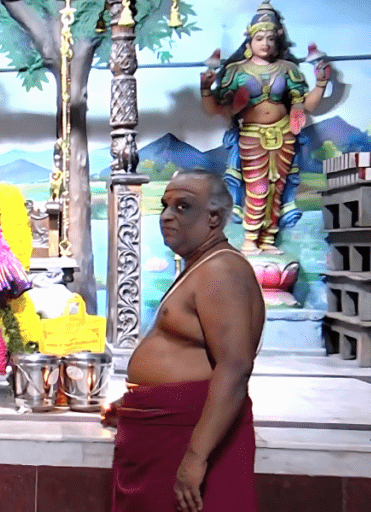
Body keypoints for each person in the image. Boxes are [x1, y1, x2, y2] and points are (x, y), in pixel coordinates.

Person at [104, 170, 265, 512]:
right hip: (163, 425)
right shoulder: (200, 265)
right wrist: (137, 402)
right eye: (165, 205)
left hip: (188, 435)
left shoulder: (221, 270)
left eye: (183, 206)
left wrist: (195, 457)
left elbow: (235, 367)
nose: (166, 215)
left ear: (214, 218)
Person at [201, 1, 331, 255]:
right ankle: (251, 238)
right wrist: (206, 89)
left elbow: (303, 105)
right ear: (249, 41)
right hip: (251, 135)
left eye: (270, 38)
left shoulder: (288, 69)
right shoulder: (236, 71)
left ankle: (268, 239)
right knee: (257, 187)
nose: (266, 43)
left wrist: (322, 83)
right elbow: (217, 109)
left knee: (276, 189)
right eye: (259, 37)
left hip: (283, 134)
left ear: (277, 40)